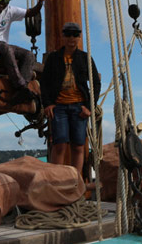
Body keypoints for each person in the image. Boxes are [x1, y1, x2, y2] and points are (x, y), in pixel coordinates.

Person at [40, 22, 101, 174]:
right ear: (63, 36)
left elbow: (95, 83)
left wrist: (90, 107)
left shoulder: (85, 58)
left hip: (79, 106)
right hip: (59, 107)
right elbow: (45, 83)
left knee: (78, 145)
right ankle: (57, 180)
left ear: (79, 37)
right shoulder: (54, 58)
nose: (71, 38)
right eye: (68, 34)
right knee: (59, 144)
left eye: (75, 34)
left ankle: (76, 182)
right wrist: (47, 104)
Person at [0, 0, 44, 91]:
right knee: (6, 47)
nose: (2, 2)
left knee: (29, 55)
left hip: (3, 46)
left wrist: (40, 3)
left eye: (6, 0)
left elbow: (31, 12)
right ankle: (19, 84)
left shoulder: (10, 10)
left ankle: (22, 89)